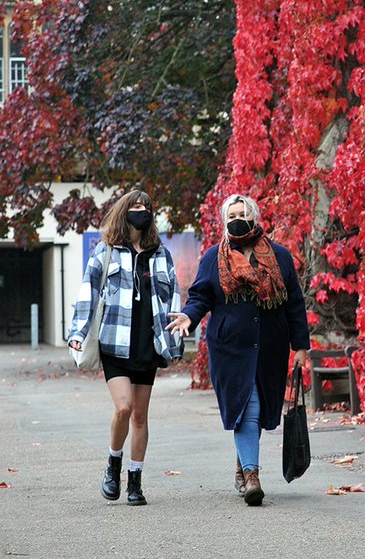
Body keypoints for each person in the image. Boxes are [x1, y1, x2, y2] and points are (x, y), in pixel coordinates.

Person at [167, 194, 310, 506]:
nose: (237, 218)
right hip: (230, 350)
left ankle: (241, 463)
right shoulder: (212, 259)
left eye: (243, 213)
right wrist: (189, 317)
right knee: (248, 407)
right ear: (224, 219)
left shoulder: (280, 256)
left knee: (257, 414)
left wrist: (300, 346)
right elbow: (200, 297)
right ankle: (252, 475)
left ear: (255, 217)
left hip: (270, 349)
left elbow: (294, 304)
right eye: (232, 213)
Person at [67, 190, 183, 506]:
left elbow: (172, 298)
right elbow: (87, 293)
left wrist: (173, 340)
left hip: (148, 344)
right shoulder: (105, 251)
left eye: (146, 206)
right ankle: (113, 464)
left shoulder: (161, 254)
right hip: (114, 342)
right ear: (123, 211)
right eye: (135, 205)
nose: (141, 210)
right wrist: (77, 333)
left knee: (141, 417)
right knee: (124, 408)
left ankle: (135, 482)